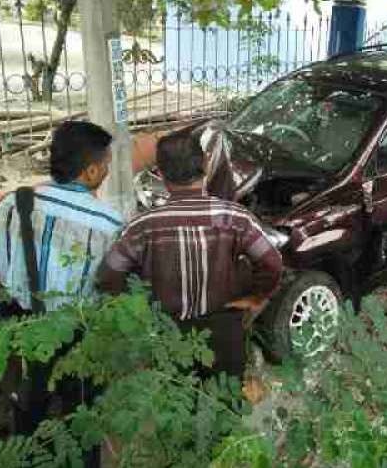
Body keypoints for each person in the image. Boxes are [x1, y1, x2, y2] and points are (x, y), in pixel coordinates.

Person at [0, 120, 123, 467]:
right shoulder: (109, 224)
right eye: (105, 164)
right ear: (90, 171)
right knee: (83, 410)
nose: (106, 170)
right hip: (80, 334)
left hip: (24, 327)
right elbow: (112, 293)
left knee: (29, 404)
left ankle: (25, 457)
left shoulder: (15, 203)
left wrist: (7, 315)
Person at [98, 130, 283, 378]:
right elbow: (272, 263)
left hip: (166, 335)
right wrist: (256, 298)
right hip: (224, 332)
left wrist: (135, 311)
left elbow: (110, 273)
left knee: (174, 404)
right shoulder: (236, 218)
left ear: (161, 175)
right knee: (222, 405)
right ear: (206, 165)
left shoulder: (142, 226)